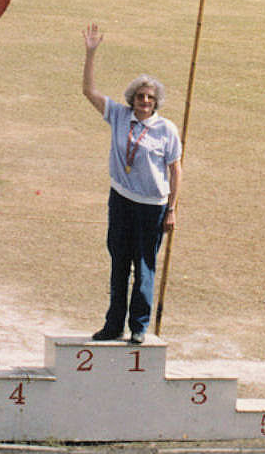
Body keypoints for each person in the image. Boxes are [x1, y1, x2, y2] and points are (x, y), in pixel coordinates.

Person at [82, 23, 182, 344]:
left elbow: (176, 172)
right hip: (122, 200)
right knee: (119, 264)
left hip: (152, 207)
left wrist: (172, 210)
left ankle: (139, 326)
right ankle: (114, 325)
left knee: (144, 267)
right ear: (132, 98)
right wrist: (91, 52)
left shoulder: (166, 130)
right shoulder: (119, 115)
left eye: (150, 98)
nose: (144, 102)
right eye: (140, 96)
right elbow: (88, 91)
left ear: (156, 102)